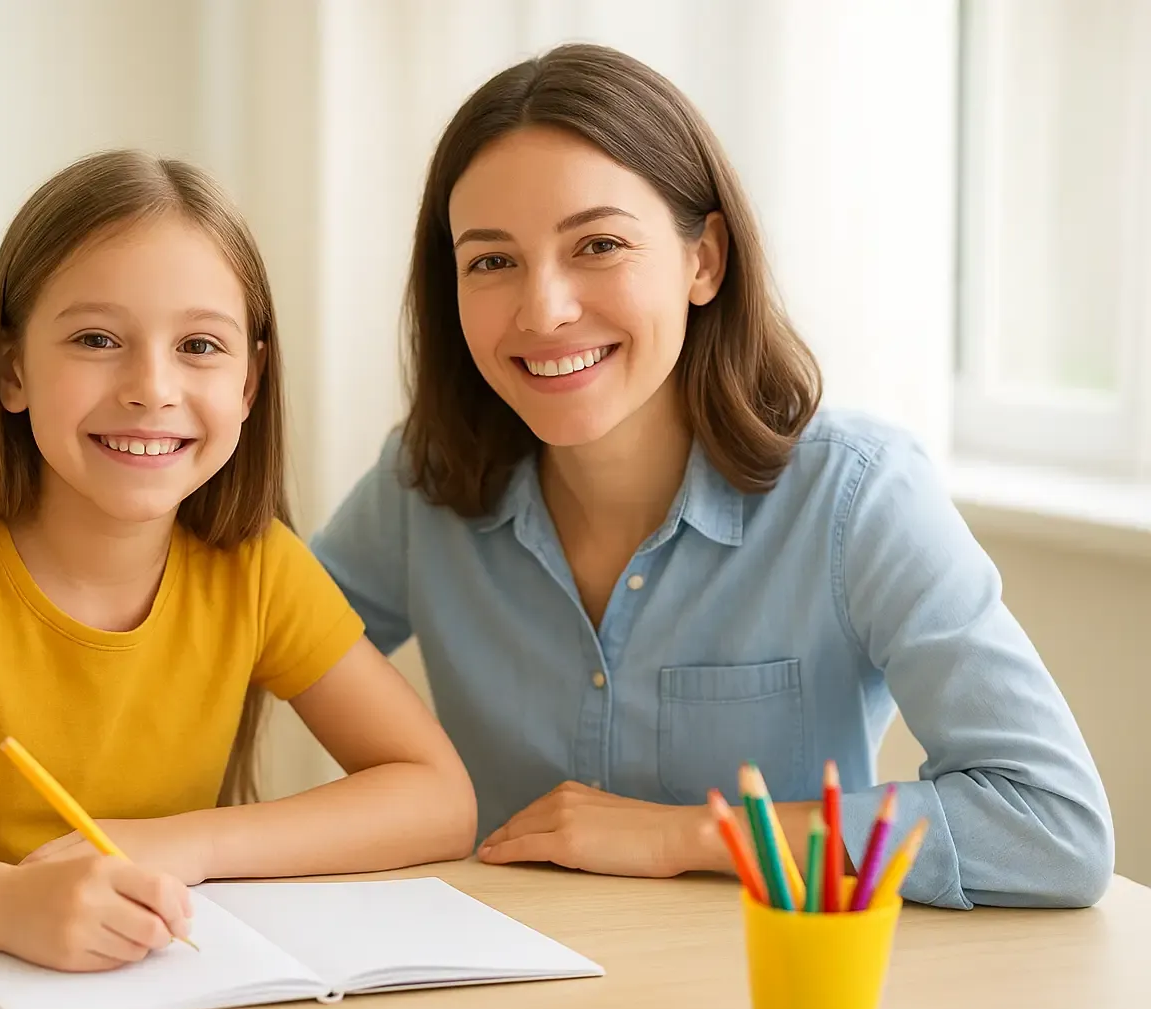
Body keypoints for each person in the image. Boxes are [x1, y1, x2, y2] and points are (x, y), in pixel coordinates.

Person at [311, 43, 1112, 909]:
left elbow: (1053, 827)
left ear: (705, 261)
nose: (543, 310)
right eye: (492, 261)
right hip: (506, 969)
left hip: (765, 973)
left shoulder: (858, 497)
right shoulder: (421, 484)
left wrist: (692, 834)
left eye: (599, 244)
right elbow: (242, 639)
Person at [0, 150, 476, 971]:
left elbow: (439, 797)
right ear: (12, 370)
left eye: (200, 345)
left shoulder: (256, 567)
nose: (152, 387)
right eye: (97, 339)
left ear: (249, 384)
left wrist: (183, 844)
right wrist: (7, 907)